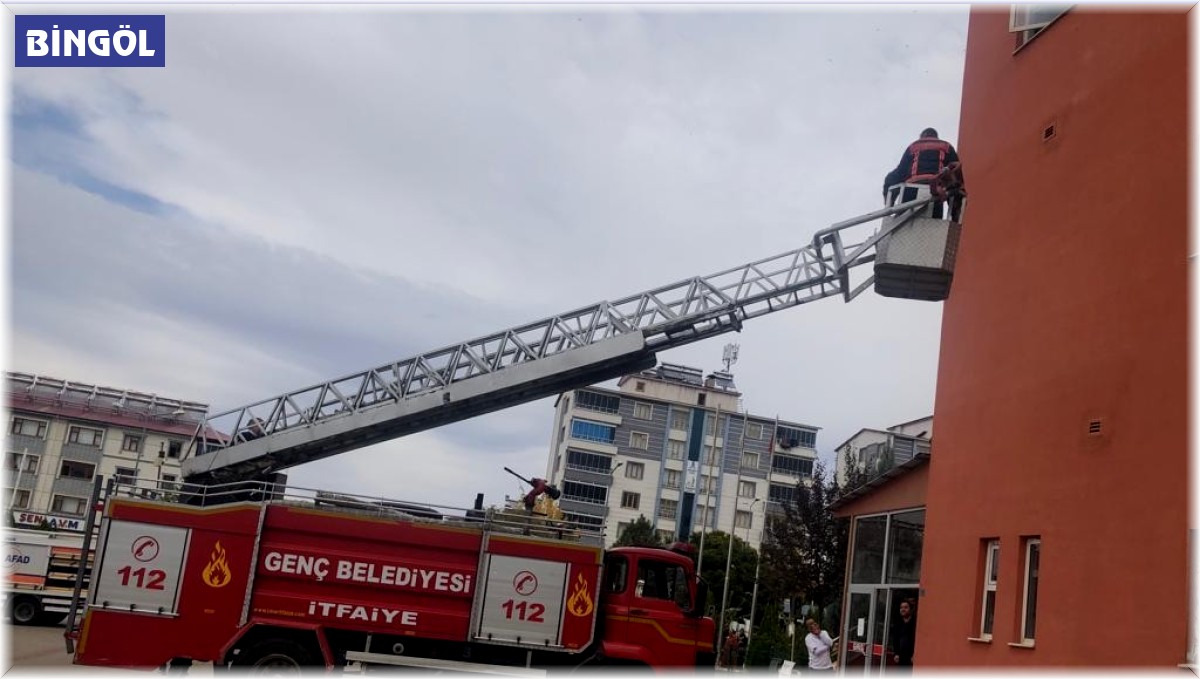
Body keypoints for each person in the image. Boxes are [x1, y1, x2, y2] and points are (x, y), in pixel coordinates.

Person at [883, 127, 960, 219]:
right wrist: (955, 212)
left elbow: (898, 174)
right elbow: (955, 175)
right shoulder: (947, 147)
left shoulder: (913, 147)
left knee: (904, 224)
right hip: (934, 191)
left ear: (922, 137)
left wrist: (890, 203)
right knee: (932, 226)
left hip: (910, 191)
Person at [891, 599, 917, 671]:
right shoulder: (898, 622)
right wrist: (896, 653)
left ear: (911, 609)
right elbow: (895, 638)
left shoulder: (915, 622)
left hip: (911, 657)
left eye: (906, 607)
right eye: (901, 607)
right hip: (900, 656)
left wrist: (914, 654)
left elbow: (917, 639)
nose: (903, 609)